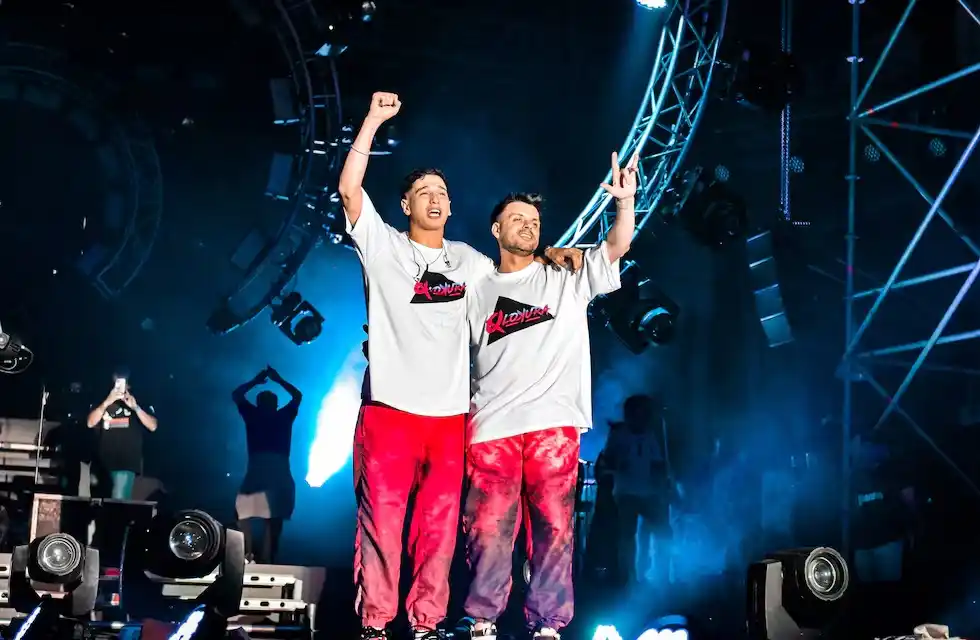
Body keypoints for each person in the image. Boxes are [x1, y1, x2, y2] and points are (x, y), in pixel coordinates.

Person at [338, 92, 582, 640]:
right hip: (390, 413)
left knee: (441, 530)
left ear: (451, 207)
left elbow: (514, 270)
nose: (435, 198)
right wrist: (374, 121)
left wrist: (556, 255)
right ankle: (377, 623)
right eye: (423, 191)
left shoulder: (470, 262)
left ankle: (427, 623)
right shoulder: (382, 247)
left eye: (442, 193)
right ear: (405, 205)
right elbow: (350, 189)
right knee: (382, 524)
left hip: (452, 418)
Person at [458, 150, 638, 640]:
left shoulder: (565, 273)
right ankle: (482, 619)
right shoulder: (475, 284)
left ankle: (547, 624)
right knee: (489, 530)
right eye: (517, 219)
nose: (528, 226)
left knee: (555, 529)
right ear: (496, 230)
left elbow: (616, 248)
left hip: (552, 423)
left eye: (534, 221)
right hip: (490, 424)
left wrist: (625, 202)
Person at [598, 394, 674, 586]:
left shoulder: (649, 434)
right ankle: (628, 578)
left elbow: (657, 463)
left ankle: (662, 575)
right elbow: (607, 461)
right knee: (627, 537)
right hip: (626, 493)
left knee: (663, 532)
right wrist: (617, 464)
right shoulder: (618, 434)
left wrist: (662, 485)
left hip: (649, 493)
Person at [232, 366, 301, 564]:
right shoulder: (281, 416)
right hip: (272, 466)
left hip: (266, 465)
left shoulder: (259, 415)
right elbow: (297, 396)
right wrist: (278, 380)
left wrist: (257, 380)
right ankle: (258, 556)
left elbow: (237, 394)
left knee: (256, 512)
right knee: (264, 514)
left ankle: (256, 556)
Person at [86, 369, 157, 500]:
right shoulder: (104, 399)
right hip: (101, 464)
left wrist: (135, 407)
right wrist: (107, 402)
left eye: (123, 382)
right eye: (116, 382)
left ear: (129, 384)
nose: (119, 385)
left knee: (116, 503)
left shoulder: (138, 399)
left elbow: (153, 426)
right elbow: (90, 422)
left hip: (125, 464)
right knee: (96, 504)